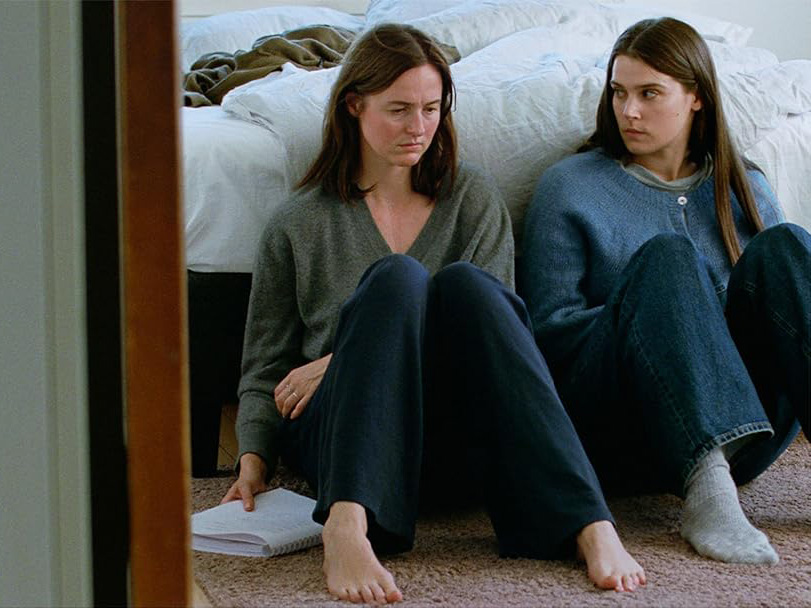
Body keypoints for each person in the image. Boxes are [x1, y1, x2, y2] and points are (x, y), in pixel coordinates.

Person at [221, 22, 645, 605]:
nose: (418, 128)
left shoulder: (473, 198)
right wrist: (252, 459)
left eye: (430, 109)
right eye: (398, 110)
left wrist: (333, 360)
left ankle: (588, 523)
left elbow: (499, 346)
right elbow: (264, 368)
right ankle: (345, 524)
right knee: (398, 277)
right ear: (354, 106)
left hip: (452, 440)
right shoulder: (298, 222)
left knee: (468, 286)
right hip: (347, 443)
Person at [521, 16, 810, 568]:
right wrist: (655, 308)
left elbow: (784, 315)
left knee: (787, 245)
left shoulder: (744, 187)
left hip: (749, 436)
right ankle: (707, 495)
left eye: (649, 94)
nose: (628, 111)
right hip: (628, 431)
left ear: (696, 97)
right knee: (669, 259)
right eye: (619, 93)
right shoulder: (571, 186)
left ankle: (719, 466)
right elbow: (548, 339)